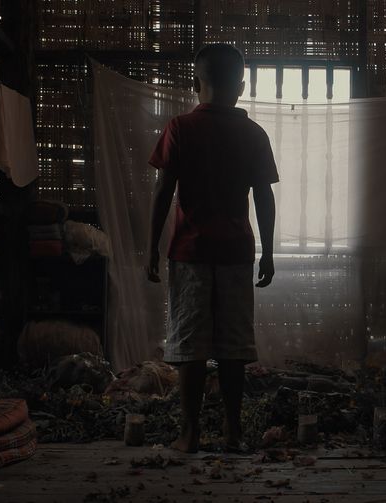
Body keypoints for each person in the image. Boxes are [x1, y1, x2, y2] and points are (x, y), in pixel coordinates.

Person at [145, 43, 279, 453]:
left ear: (195, 82)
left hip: (190, 252)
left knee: (191, 346)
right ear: (241, 87)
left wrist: (152, 247)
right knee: (234, 348)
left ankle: (189, 434)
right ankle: (233, 433)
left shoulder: (180, 128)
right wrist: (268, 252)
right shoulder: (253, 133)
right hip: (237, 251)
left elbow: (163, 190)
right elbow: (264, 198)